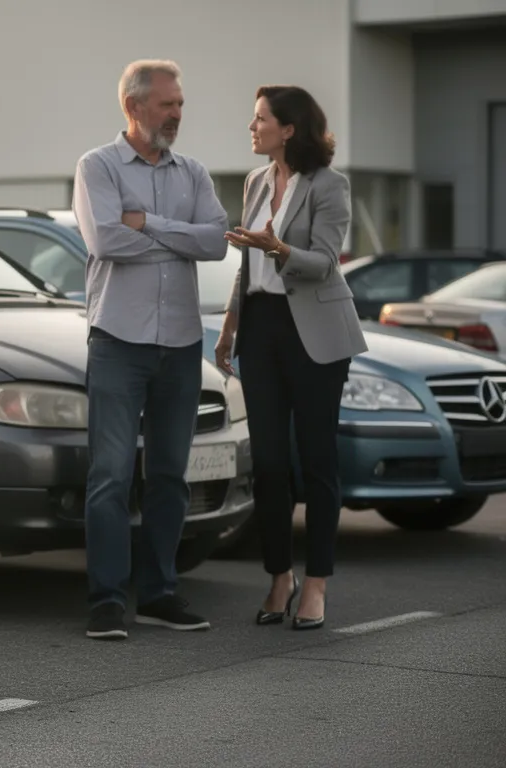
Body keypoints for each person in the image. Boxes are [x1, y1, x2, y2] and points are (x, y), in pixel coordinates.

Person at [72, 59, 230, 640]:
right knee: (111, 476)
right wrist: (174, 237)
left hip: (182, 344)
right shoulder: (98, 166)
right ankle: (107, 601)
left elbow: (217, 241)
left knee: (169, 474)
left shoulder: (193, 171)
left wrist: (150, 225)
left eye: (181, 104)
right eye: (168, 104)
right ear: (134, 107)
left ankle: (160, 593)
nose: (177, 114)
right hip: (118, 341)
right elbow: (106, 239)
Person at [214, 85, 367, 630]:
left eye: (260, 119)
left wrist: (275, 247)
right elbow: (245, 267)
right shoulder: (256, 181)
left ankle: (317, 583)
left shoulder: (330, 186)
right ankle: (280, 576)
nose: (251, 128)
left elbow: (324, 262)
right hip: (261, 329)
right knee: (271, 464)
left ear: (289, 128)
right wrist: (231, 328)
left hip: (316, 333)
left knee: (317, 459)